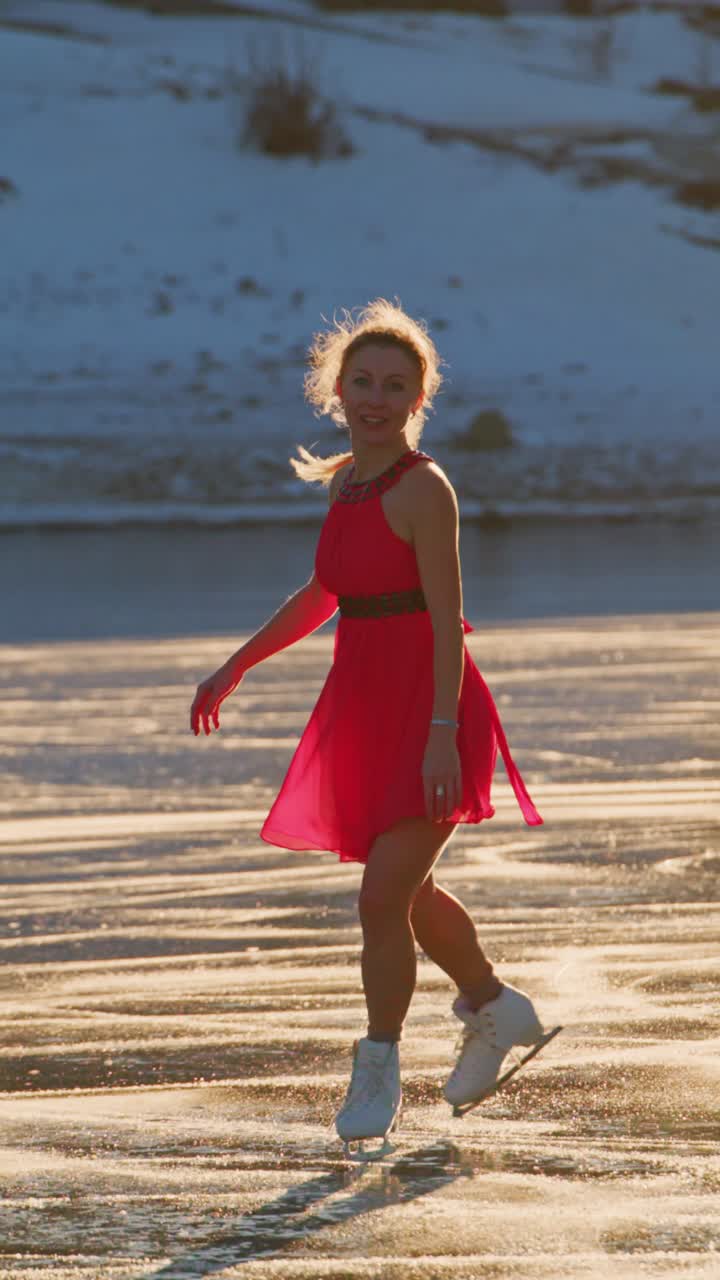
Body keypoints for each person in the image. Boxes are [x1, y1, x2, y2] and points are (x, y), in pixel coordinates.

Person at [190, 297, 549, 1154]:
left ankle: (378, 1064)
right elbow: (324, 593)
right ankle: (498, 1008)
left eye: (396, 385)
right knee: (408, 891)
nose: (376, 398)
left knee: (382, 895)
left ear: (419, 397)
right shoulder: (350, 479)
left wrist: (437, 731)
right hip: (362, 706)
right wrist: (238, 662)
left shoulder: (426, 488)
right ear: (336, 389)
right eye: (363, 382)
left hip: (432, 707)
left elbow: (445, 618)